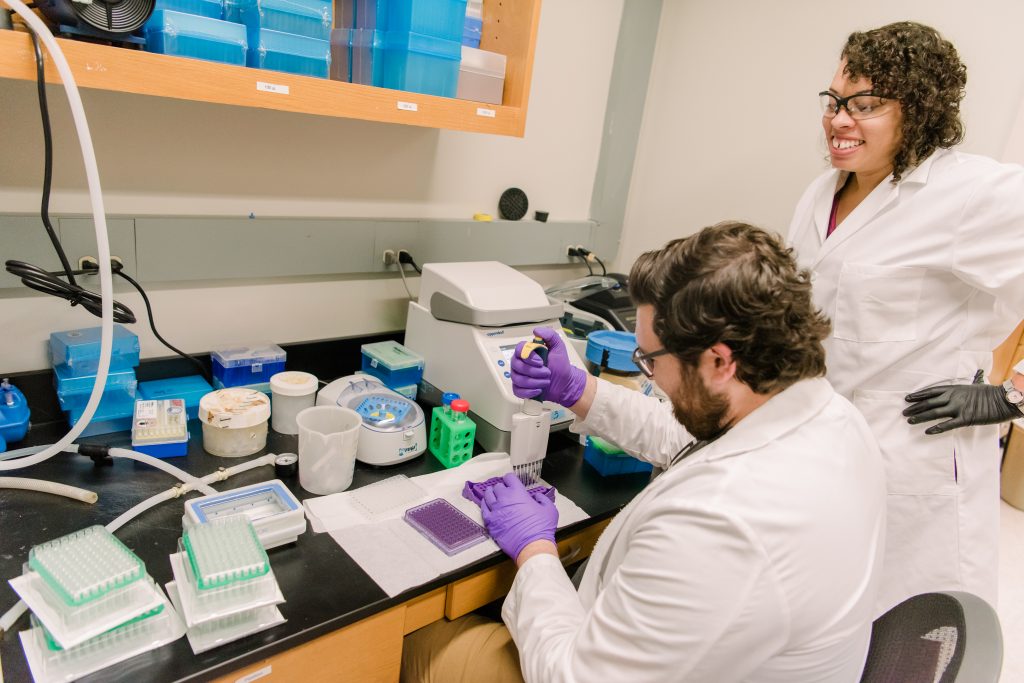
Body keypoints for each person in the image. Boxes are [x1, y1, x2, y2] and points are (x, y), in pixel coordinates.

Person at [402, 223, 887, 682]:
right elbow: (692, 439)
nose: (651, 378)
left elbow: (573, 677)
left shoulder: (723, 525)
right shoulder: (828, 419)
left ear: (719, 361)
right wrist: (577, 389)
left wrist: (534, 548)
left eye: (650, 361)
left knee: (418, 643)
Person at [786, 21, 1024, 613]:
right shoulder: (822, 193)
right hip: (820, 451)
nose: (839, 119)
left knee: (918, 639)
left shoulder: (972, 195)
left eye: (864, 105)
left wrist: (1010, 399)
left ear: (917, 111)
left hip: (916, 468)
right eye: (835, 101)